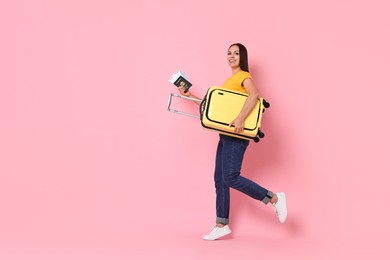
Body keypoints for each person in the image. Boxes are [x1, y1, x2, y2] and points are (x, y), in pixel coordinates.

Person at [178, 43, 287, 241]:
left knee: (230, 177)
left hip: (237, 135)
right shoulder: (230, 80)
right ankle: (221, 224)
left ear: (242, 57)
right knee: (220, 179)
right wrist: (190, 96)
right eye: (229, 53)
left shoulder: (244, 75)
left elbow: (254, 95)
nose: (231, 56)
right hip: (225, 134)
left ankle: (273, 197)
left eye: (236, 53)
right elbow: (216, 107)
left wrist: (240, 119)